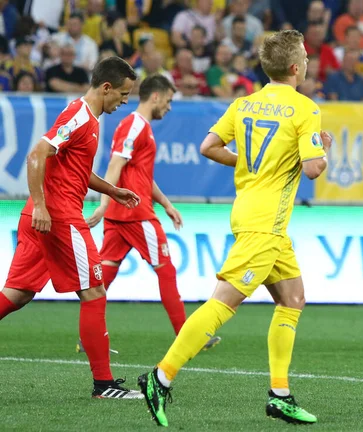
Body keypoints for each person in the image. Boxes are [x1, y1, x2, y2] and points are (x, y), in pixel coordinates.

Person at [137, 29, 331, 427]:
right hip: (266, 224)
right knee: (222, 303)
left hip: (252, 215)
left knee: (292, 299)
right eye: (307, 57)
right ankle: (160, 377)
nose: (309, 62)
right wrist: (322, 148)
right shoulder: (304, 108)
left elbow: (207, 146)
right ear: (296, 68)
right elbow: (313, 168)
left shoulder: (244, 104)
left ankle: (279, 395)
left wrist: (246, 164)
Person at [0, 56, 143, 399]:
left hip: (42, 218)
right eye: (123, 94)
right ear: (106, 87)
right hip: (58, 217)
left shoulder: (87, 118)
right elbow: (37, 155)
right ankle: (103, 385)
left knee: (16, 295)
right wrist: (41, 205)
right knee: (94, 292)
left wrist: (112, 190)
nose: (125, 101)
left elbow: (75, 170)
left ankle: (104, 384)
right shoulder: (79, 116)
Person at [83, 74, 221, 350]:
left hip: (121, 214)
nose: (169, 107)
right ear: (155, 96)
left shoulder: (138, 127)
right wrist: (102, 202)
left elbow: (140, 175)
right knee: (166, 270)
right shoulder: (134, 125)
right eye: (168, 100)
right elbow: (115, 165)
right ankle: (187, 336)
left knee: (104, 276)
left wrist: (167, 204)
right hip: (136, 213)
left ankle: (89, 338)